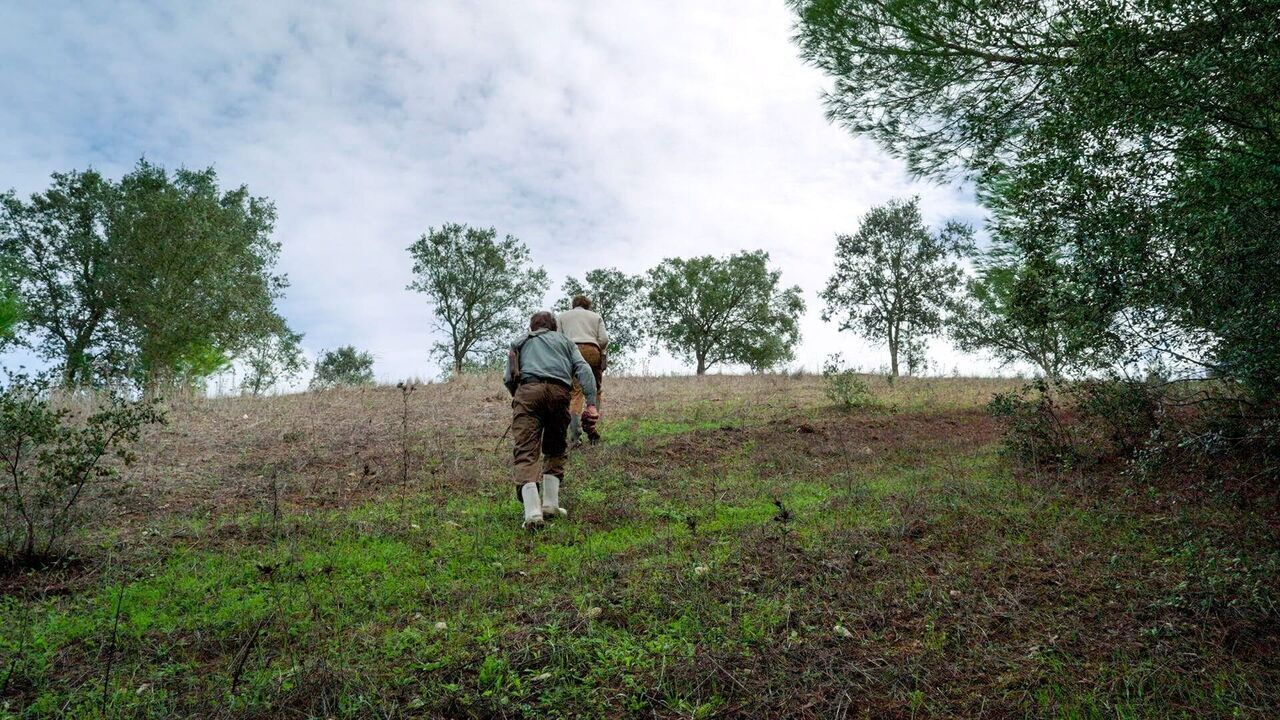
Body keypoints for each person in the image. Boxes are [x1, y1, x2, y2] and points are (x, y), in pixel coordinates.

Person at [504, 311, 598, 528]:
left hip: (528, 390)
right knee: (556, 446)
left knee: (526, 450)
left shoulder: (519, 342)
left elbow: (508, 377)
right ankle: (551, 504)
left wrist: (519, 396)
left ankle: (533, 513)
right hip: (559, 392)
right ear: (554, 327)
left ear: (532, 328)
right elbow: (583, 369)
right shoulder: (565, 342)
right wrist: (591, 402)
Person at [556, 295, 609, 445]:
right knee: (596, 389)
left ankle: (574, 435)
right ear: (588, 305)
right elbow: (604, 340)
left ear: (573, 305)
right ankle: (591, 428)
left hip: (570, 351)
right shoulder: (596, 316)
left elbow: (558, 339)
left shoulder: (562, 317)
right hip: (592, 351)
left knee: (575, 393)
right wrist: (597, 348)